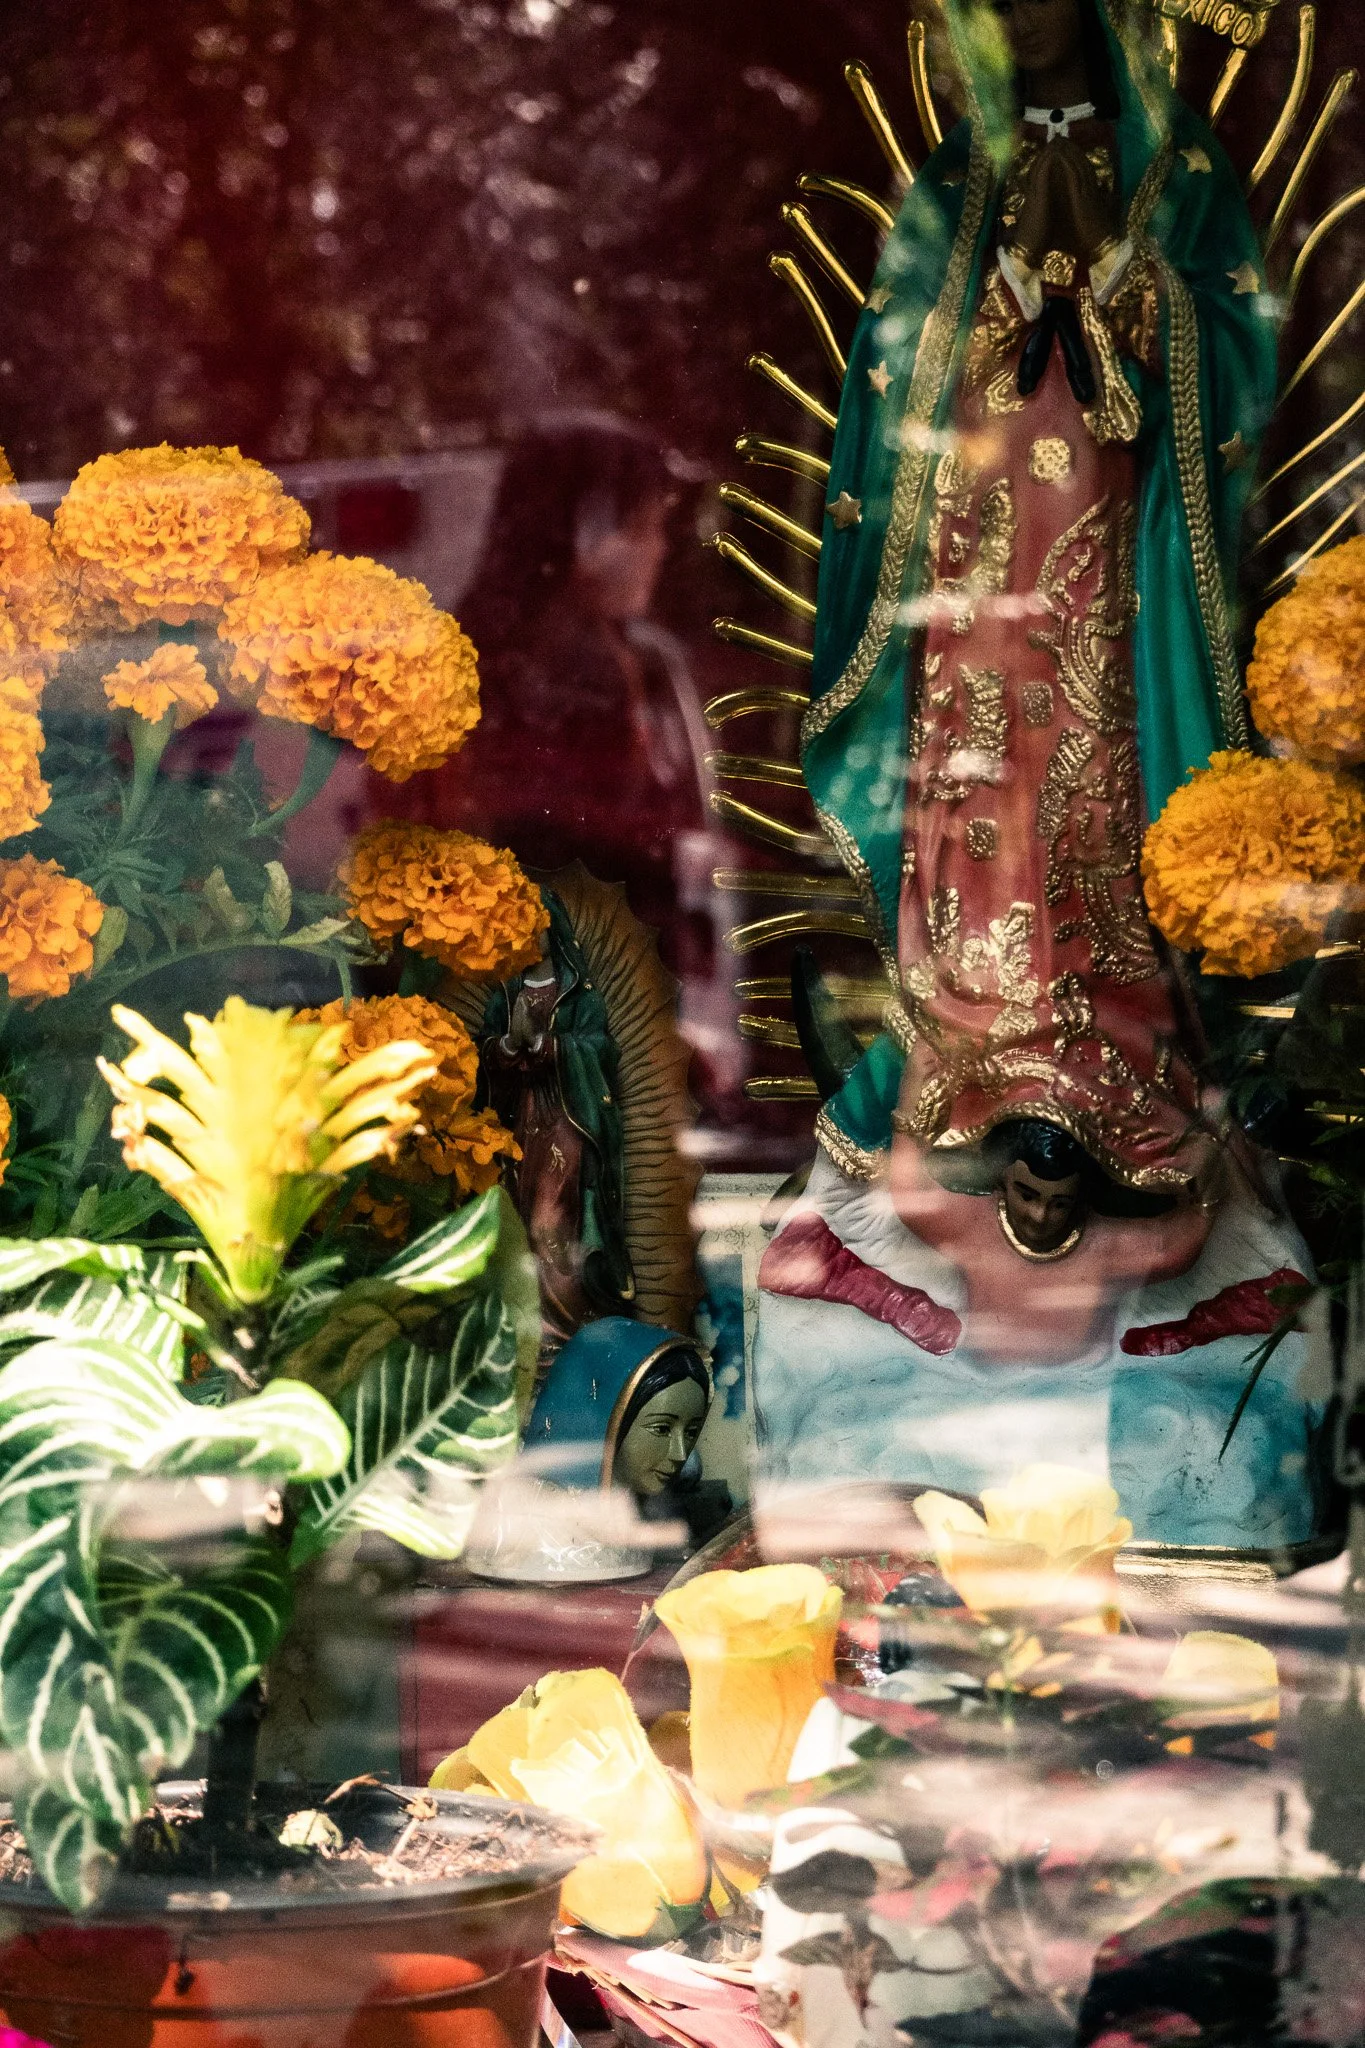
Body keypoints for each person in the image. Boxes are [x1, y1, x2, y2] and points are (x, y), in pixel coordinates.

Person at [384, 413, 708, 934]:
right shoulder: (569, 673)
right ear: (586, 535)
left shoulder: (502, 648)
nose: (660, 550)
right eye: (645, 527)